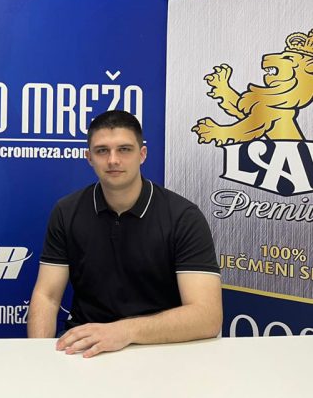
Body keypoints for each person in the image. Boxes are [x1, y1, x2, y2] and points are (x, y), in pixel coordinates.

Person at [27, 110, 221, 357]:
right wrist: (39, 358)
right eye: (102, 151)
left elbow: (207, 316)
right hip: (85, 348)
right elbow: (47, 296)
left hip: (164, 347)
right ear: (89, 157)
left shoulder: (183, 217)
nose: (113, 160)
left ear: (142, 154)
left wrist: (124, 331)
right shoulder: (67, 211)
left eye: (124, 149)